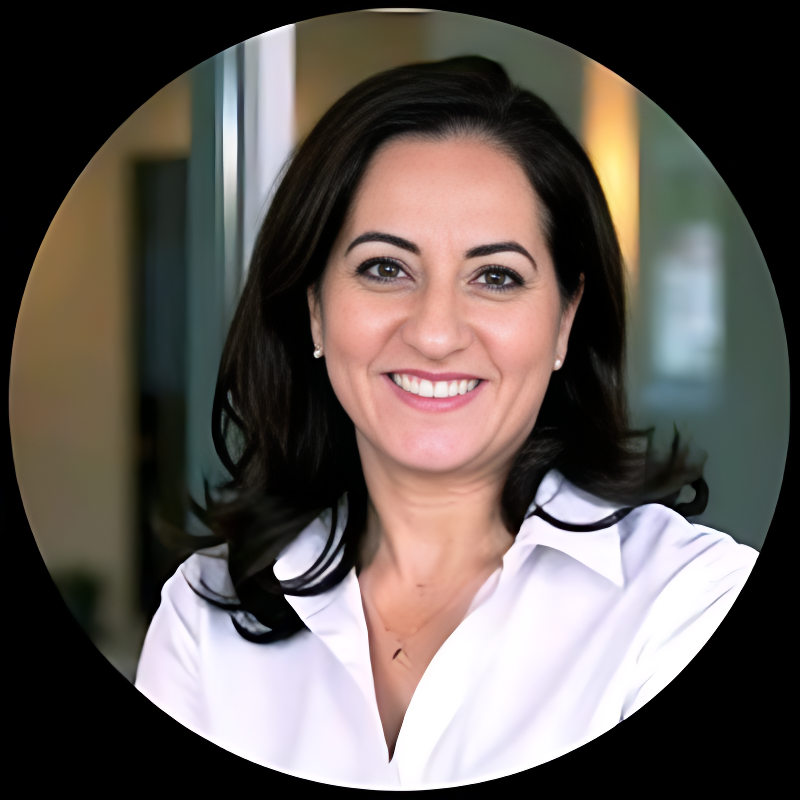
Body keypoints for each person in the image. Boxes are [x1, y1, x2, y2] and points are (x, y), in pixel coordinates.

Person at [134, 56, 757, 789]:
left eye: (496, 277)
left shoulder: (690, 605)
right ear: (314, 308)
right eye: (384, 269)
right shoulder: (205, 619)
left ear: (563, 320)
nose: (434, 332)